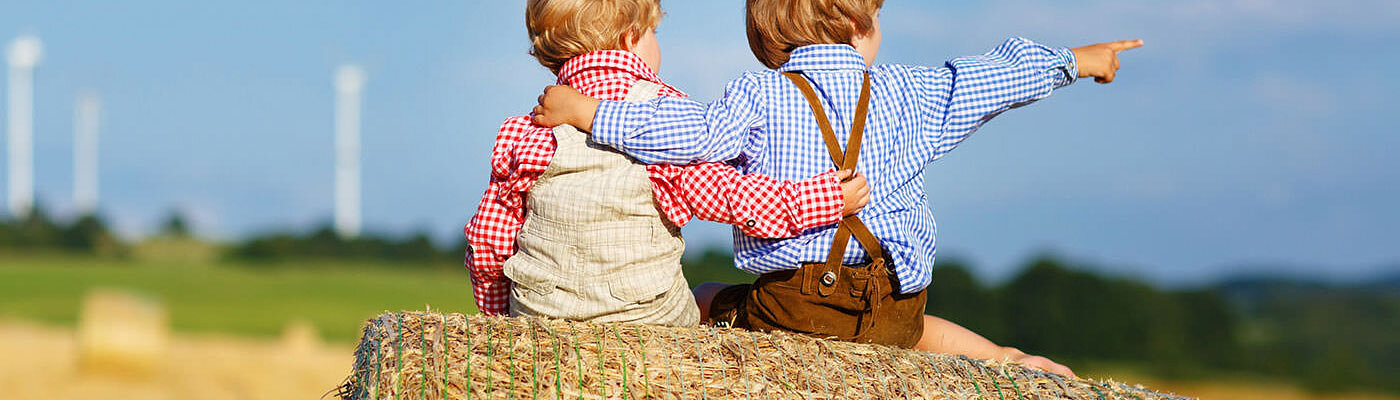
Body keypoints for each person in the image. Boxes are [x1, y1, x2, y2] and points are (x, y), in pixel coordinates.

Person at [530, 0, 1142, 376]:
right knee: (917, 333)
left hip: (793, 312)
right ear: (859, 21)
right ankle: (1008, 361)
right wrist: (1076, 60)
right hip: (894, 308)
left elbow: (687, 135)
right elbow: (995, 79)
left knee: (709, 296)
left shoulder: (758, 94)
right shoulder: (912, 92)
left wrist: (590, 113)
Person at [465, 0, 870, 328]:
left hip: (540, 318)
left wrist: (503, 322)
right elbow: (733, 198)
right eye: (653, 33)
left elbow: (487, 239)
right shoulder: (664, 119)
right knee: (703, 305)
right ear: (632, 37)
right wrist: (824, 199)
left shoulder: (527, 131)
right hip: (646, 319)